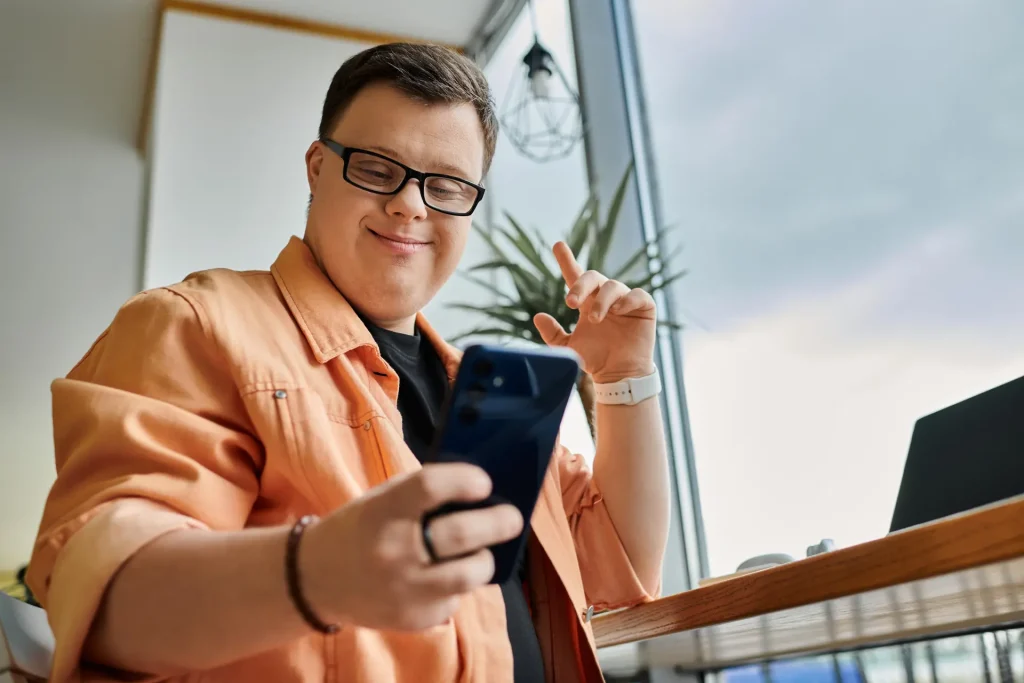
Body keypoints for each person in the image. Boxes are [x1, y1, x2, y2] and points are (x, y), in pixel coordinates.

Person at [27, 43, 670, 683]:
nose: (411, 205)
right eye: (375, 168)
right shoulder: (194, 325)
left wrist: (624, 379)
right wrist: (316, 573)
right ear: (316, 167)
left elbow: (621, 569)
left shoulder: (488, 401)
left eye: (445, 186)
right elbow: (103, 598)